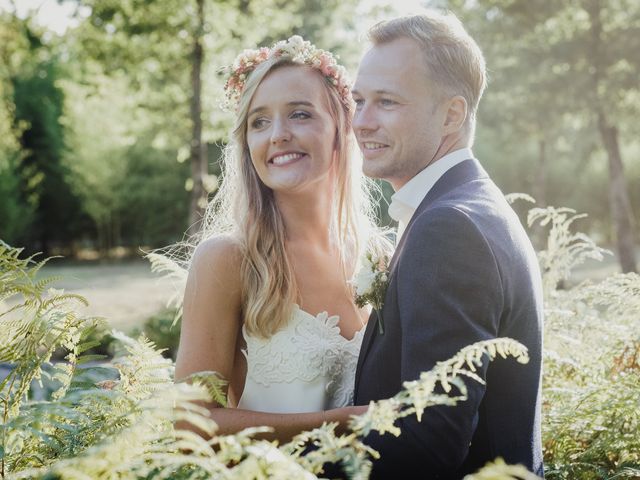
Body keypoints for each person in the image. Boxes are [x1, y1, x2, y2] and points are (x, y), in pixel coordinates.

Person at [351, 11, 545, 479]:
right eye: (358, 101)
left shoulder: (450, 228)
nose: (361, 122)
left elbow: (427, 443)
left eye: (386, 102)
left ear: (452, 114)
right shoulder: (464, 206)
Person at [173, 36, 389, 443]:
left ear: (342, 128)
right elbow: (192, 425)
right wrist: (349, 420)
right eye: (259, 121)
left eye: (300, 114)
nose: (278, 134)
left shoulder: (379, 258)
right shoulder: (228, 260)